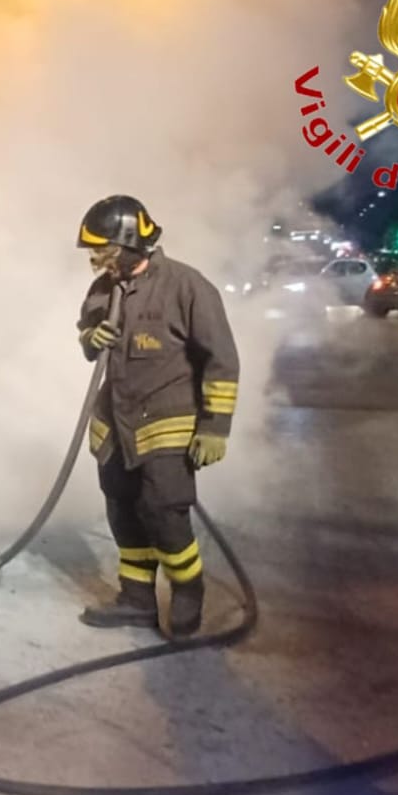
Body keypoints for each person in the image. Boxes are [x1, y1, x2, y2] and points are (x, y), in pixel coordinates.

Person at [74, 196, 240, 637]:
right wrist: (92, 338)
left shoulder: (187, 287)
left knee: (163, 511)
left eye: (104, 250)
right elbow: (86, 336)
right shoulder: (103, 289)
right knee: (122, 509)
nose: (95, 260)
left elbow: (222, 360)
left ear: (131, 244)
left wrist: (215, 428)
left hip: (166, 421)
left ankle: (188, 591)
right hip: (115, 424)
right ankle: (136, 598)